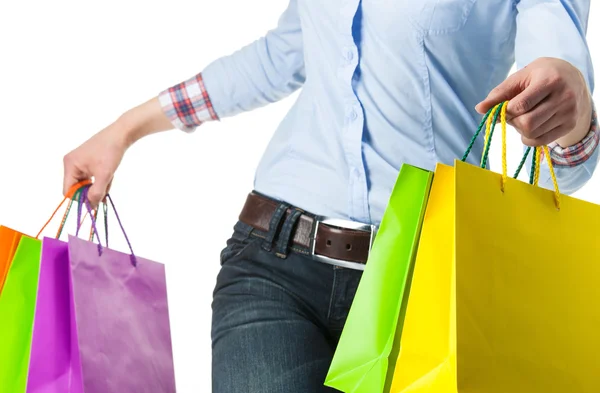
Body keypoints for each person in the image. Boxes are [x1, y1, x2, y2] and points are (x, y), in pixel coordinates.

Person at [62, 1, 598, 392]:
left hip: (425, 281)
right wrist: (124, 130)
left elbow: (566, 132)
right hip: (273, 259)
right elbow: (281, 55)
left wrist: (570, 115)